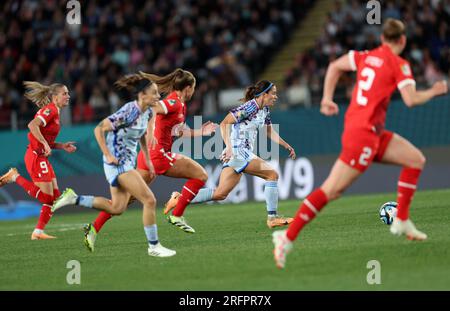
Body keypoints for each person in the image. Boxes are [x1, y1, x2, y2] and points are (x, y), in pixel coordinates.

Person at [272, 18, 448, 269]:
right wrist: (435, 91)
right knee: (331, 190)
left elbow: (334, 66)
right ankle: (286, 238)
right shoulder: (400, 64)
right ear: (403, 40)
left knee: (415, 159)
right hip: (362, 135)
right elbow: (410, 100)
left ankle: (402, 220)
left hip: (370, 131)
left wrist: (326, 99)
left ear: (382, 39)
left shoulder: (365, 56)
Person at [83, 68, 217, 247]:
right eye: (194, 88)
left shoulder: (180, 105)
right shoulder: (173, 102)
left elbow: (178, 131)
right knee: (201, 176)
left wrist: (202, 132)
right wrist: (151, 126)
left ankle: (93, 228)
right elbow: (155, 107)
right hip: (159, 155)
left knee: (125, 200)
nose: (194, 91)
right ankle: (177, 214)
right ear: (188, 88)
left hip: (150, 157)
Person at [52, 73, 176, 257]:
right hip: (118, 163)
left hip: (124, 163)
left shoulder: (147, 112)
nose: (158, 97)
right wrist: (108, 155)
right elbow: (99, 129)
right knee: (149, 200)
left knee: (117, 208)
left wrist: (148, 160)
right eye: (155, 93)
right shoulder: (129, 111)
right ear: (142, 95)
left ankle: (73, 198)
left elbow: (141, 135)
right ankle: (154, 246)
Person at [164, 80, 296, 228]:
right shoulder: (249, 107)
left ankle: (180, 199)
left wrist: (286, 145)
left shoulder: (264, 110)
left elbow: (269, 131)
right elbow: (225, 123)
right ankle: (272, 218)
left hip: (239, 153)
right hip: (238, 151)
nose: (275, 96)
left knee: (220, 193)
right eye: (273, 93)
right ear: (264, 94)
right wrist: (229, 147)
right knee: (272, 175)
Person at [0, 81, 76, 240]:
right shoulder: (50, 110)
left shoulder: (56, 111)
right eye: (65, 93)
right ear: (55, 97)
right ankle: (14, 176)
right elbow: (32, 125)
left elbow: (46, 140)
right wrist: (43, 144)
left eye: (68, 93)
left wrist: (61, 146)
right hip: (35, 156)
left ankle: (38, 232)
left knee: (54, 198)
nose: (68, 96)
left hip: (41, 156)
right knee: (47, 198)